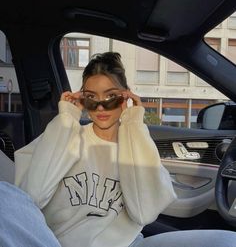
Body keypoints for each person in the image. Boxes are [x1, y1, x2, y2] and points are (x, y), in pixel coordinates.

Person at [10, 52, 236, 247]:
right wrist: (67, 118)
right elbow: (32, 198)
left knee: (228, 242)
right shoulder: (63, 136)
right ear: (81, 98)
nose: (100, 107)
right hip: (57, 243)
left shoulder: (135, 143)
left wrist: (134, 124)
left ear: (126, 96)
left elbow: (143, 212)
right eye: (91, 98)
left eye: (111, 97)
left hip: (127, 244)